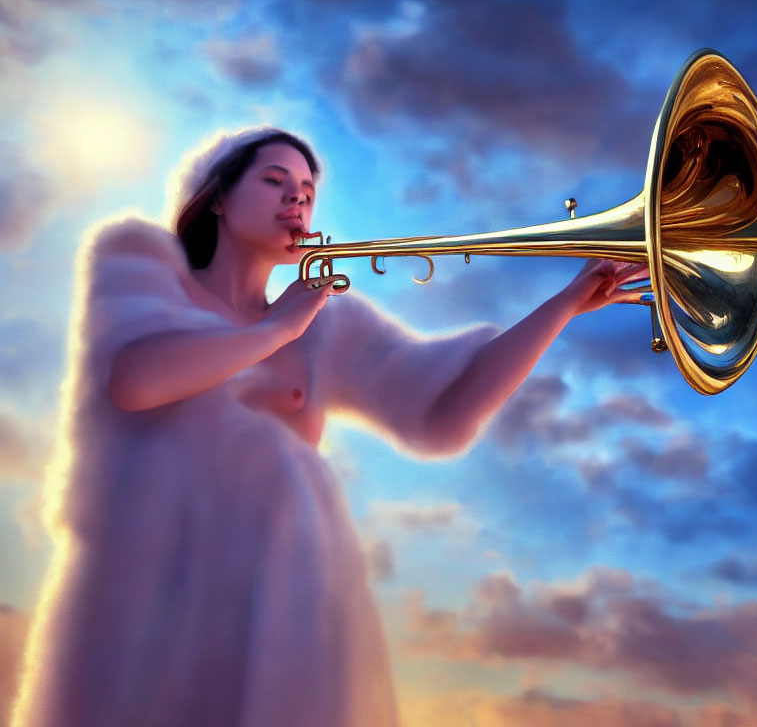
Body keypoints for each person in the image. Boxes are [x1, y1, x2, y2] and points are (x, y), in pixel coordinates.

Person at [12, 128, 646, 727]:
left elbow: (445, 410)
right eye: (274, 180)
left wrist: (566, 303)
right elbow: (136, 378)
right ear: (218, 200)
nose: (298, 197)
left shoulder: (324, 325)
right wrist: (274, 330)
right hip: (151, 614)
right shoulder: (139, 260)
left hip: (286, 624)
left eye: (309, 192)